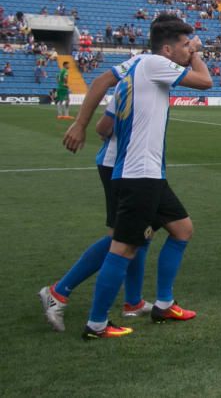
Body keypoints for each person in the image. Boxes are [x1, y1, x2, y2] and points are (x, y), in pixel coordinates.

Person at [62, 14, 213, 339]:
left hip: (148, 173)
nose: (190, 49)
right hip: (138, 173)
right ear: (169, 49)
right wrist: (198, 52)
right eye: (185, 45)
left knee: (182, 230)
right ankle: (97, 323)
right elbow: (205, 81)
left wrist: (83, 125)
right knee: (124, 247)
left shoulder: (141, 64)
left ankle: (162, 303)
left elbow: (105, 91)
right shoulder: (154, 64)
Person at [38, 93, 153, 332]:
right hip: (120, 166)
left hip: (135, 166)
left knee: (142, 233)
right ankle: (58, 292)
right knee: (123, 238)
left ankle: (134, 301)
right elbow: (103, 126)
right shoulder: (135, 79)